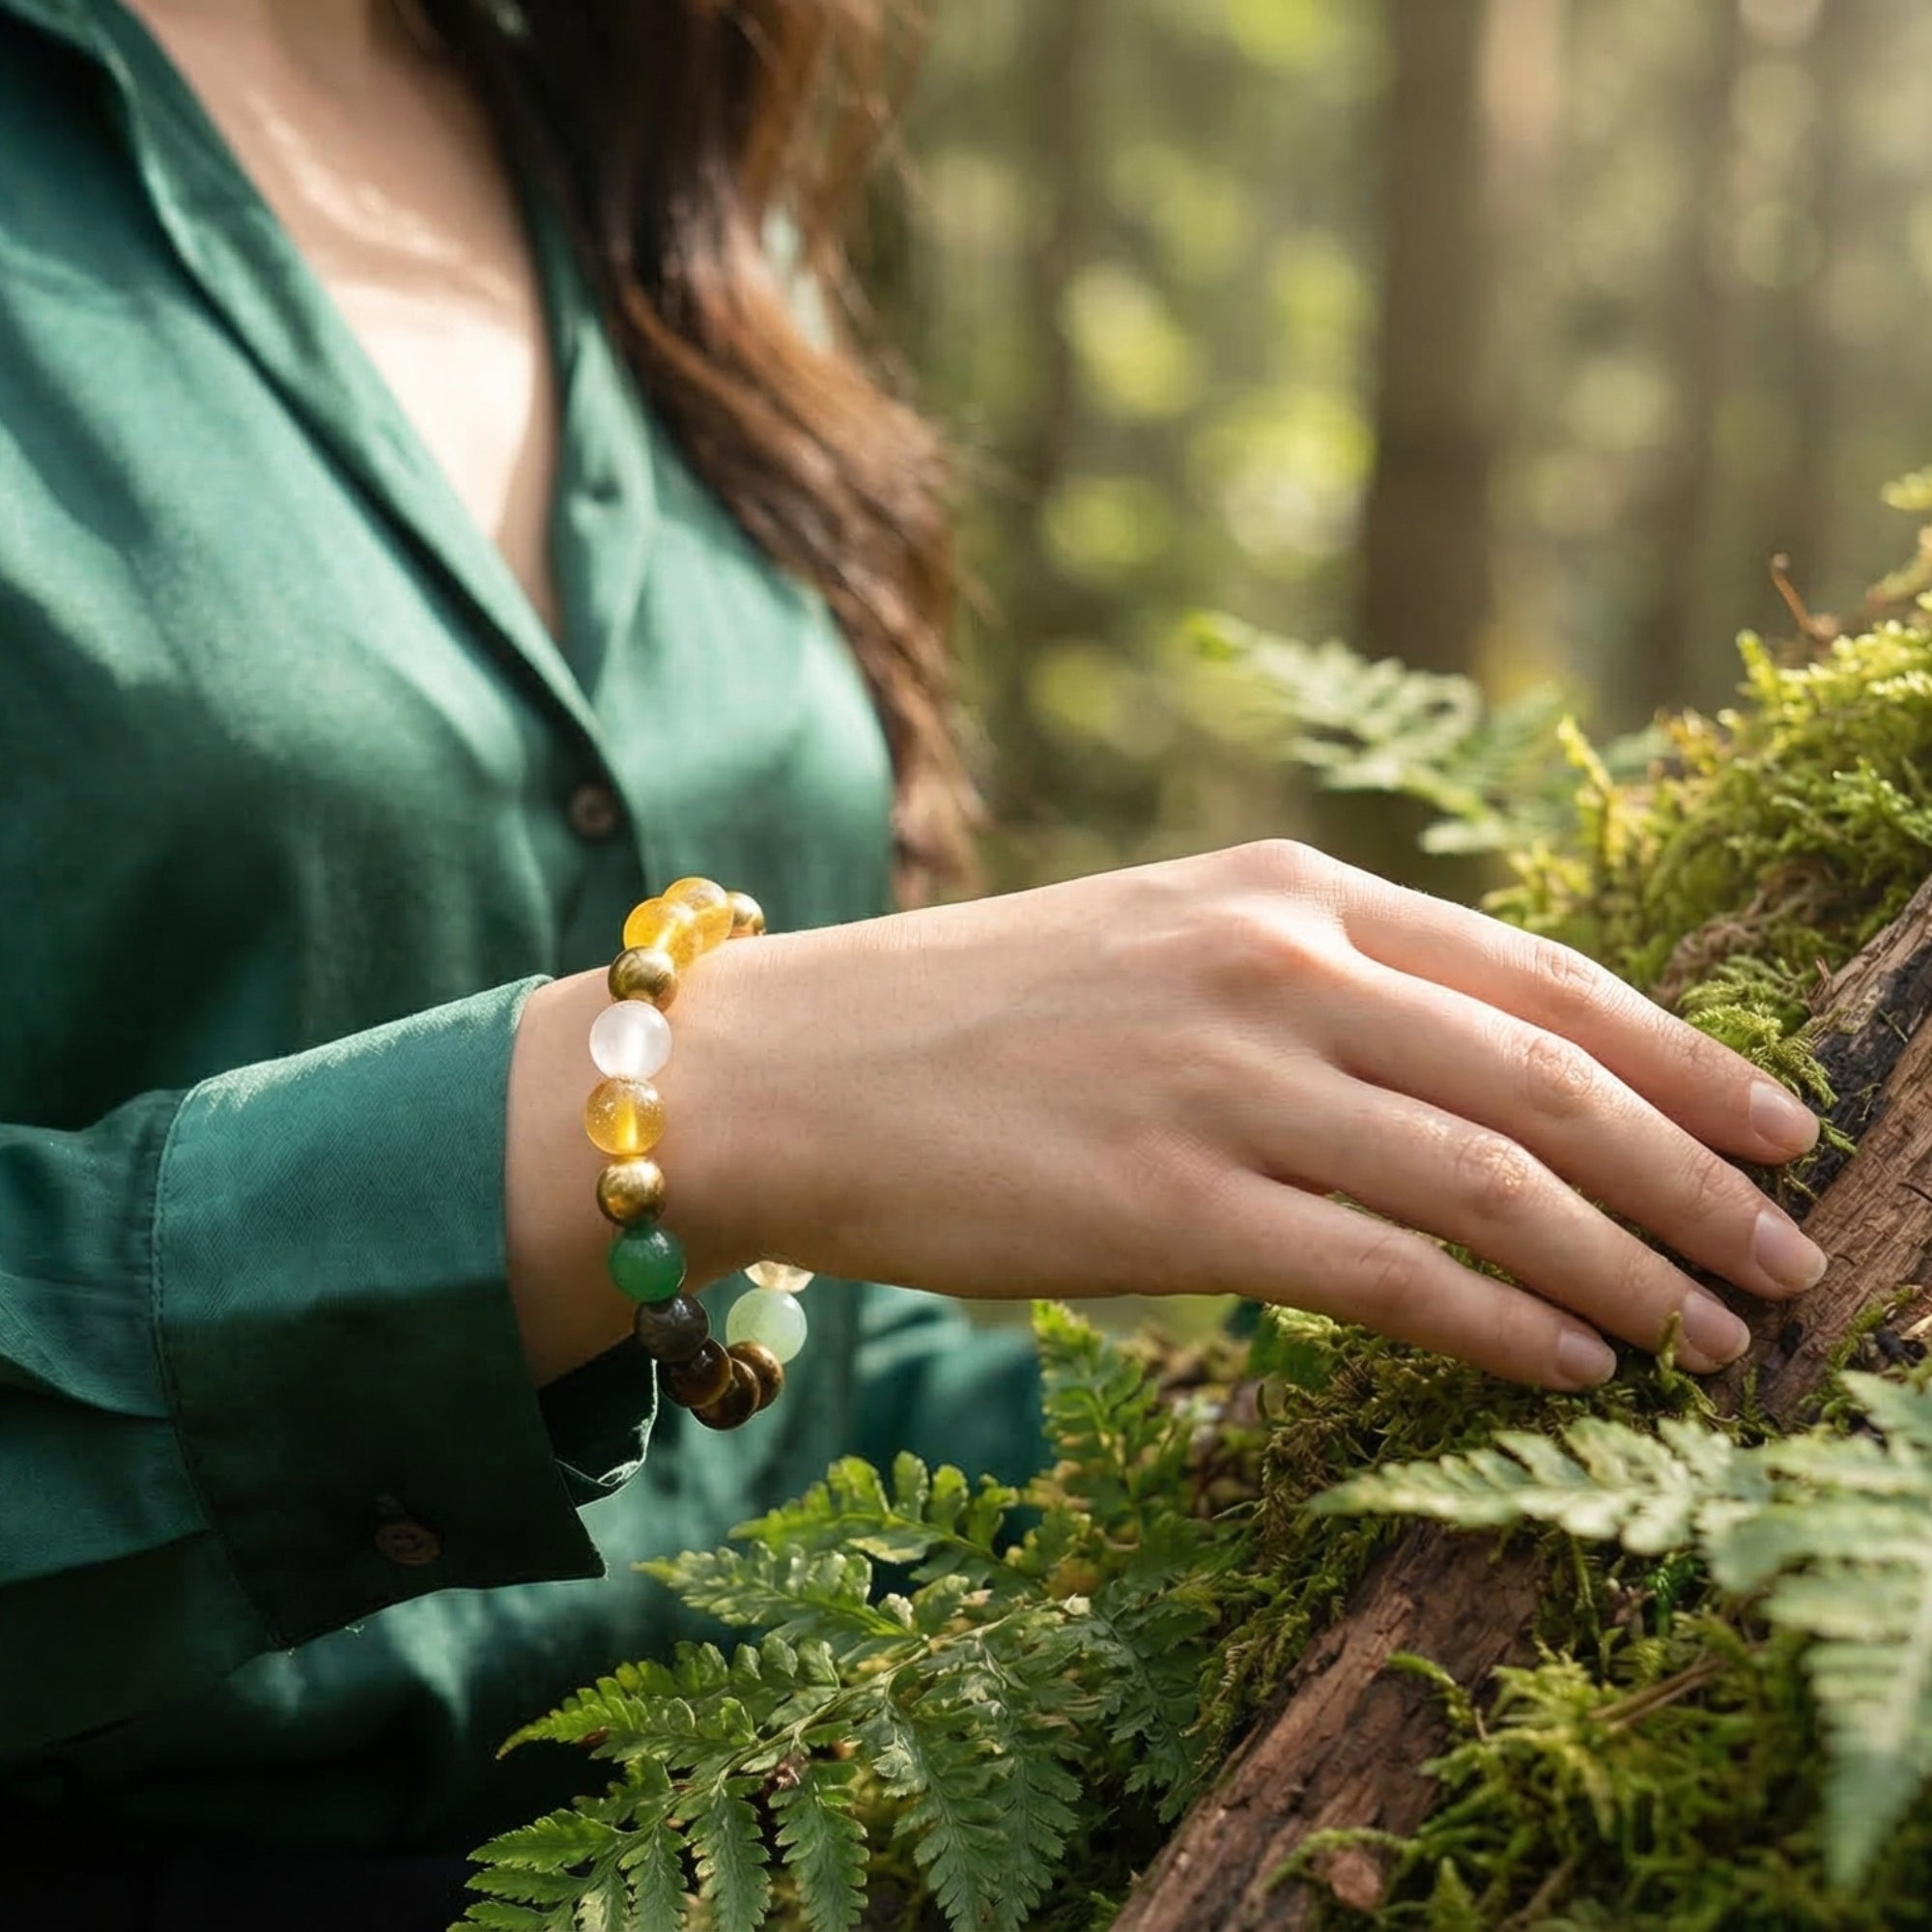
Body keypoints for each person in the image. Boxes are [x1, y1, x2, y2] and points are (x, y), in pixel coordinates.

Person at [0, 0, 1827, 1923]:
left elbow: (789, 1392)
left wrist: (1291, 1418)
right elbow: (739, 1138)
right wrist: (681, 1097)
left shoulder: (645, 141)